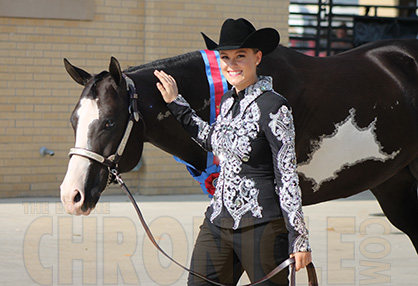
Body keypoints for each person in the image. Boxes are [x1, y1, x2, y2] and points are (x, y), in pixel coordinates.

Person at [154, 18, 312, 285]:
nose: (231, 64)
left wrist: (299, 237)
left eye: (241, 56)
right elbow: (211, 139)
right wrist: (176, 103)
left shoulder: (275, 107)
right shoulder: (227, 102)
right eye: (225, 57)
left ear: (257, 57)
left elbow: (286, 175)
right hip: (217, 222)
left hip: (262, 227)